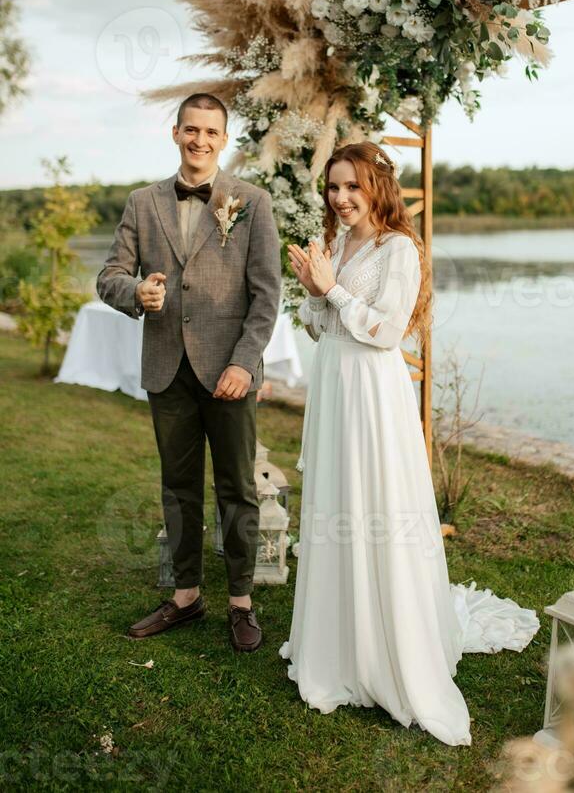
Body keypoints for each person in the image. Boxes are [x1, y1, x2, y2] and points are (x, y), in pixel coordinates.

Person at [279, 140, 539, 745]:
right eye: (333, 188)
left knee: (376, 503)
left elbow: (387, 331)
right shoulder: (339, 244)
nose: (340, 199)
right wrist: (315, 292)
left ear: (377, 187)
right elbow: (324, 330)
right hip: (335, 388)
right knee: (338, 502)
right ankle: (338, 642)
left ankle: (390, 645)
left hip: (373, 390)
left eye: (351, 187)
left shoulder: (400, 250)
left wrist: (333, 291)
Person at [97, 93, 281, 651]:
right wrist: (137, 292)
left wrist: (244, 364)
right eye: (191, 130)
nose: (200, 140)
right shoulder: (141, 202)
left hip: (229, 372)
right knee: (178, 488)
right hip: (166, 370)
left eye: (211, 132)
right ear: (175, 133)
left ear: (224, 139)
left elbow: (267, 295)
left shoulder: (253, 202)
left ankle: (241, 603)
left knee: (237, 488)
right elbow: (109, 275)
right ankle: (185, 597)